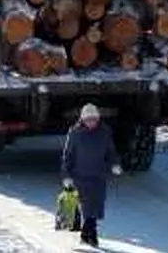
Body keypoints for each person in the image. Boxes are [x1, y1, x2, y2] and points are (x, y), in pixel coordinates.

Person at [61, 103, 123, 247]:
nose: (91, 122)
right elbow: (68, 156)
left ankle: (88, 233)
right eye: (88, 119)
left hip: (98, 175)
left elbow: (111, 152)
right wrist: (66, 175)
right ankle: (89, 234)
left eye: (94, 119)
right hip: (79, 176)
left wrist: (115, 164)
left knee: (96, 205)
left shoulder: (104, 132)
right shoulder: (75, 133)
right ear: (82, 119)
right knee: (86, 206)